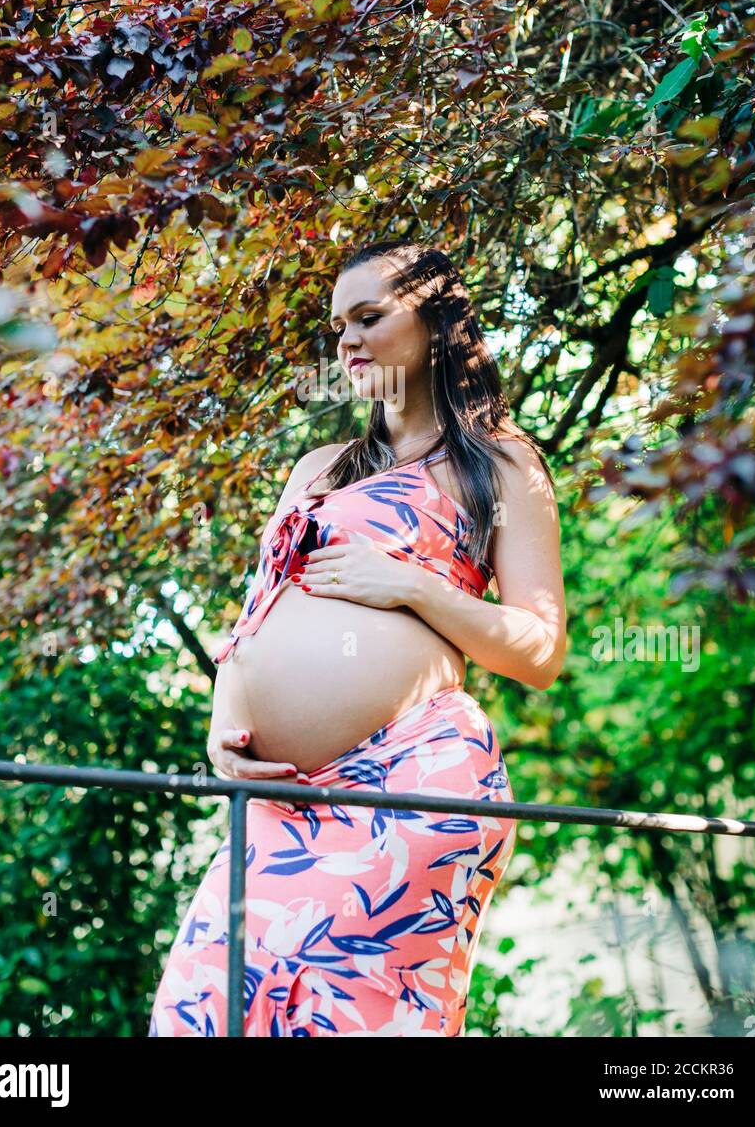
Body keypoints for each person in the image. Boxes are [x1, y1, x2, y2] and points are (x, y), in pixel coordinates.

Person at [149, 240, 565, 1036]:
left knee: (353, 1018)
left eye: (370, 318)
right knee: (203, 1009)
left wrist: (408, 583)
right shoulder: (318, 467)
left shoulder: (502, 466)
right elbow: (253, 613)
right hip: (279, 798)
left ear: (439, 324)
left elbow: (539, 651)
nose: (346, 342)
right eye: (339, 324)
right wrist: (221, 725)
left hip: (409, 780)